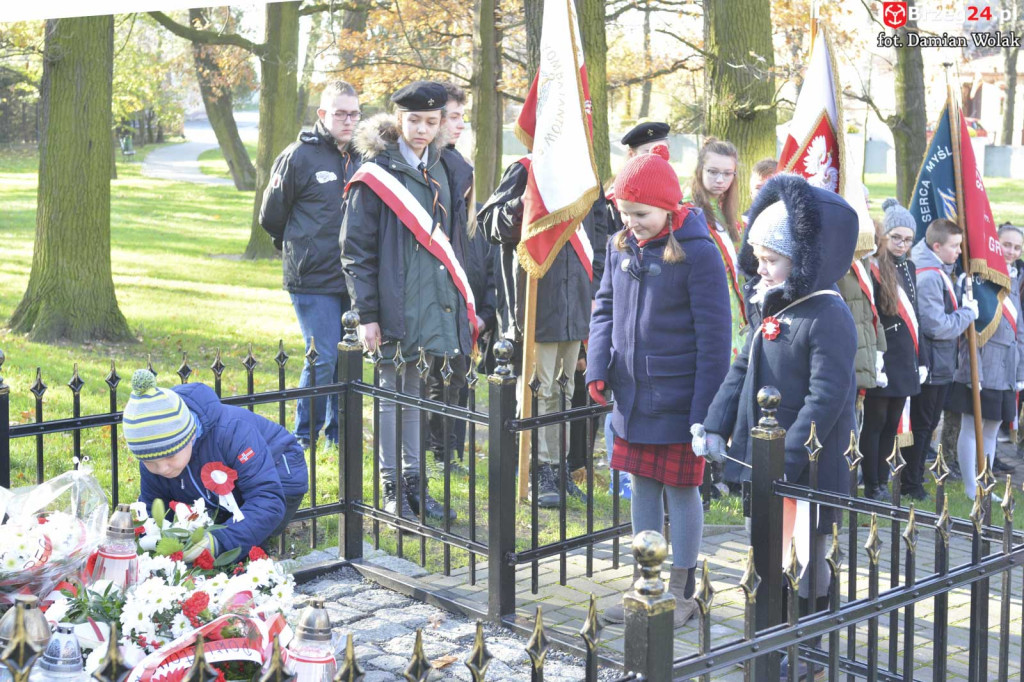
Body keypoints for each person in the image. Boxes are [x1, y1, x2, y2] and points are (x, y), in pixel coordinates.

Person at [697, 174, 859, 679]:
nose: (760, 268)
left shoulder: (827, 314)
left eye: (771, 259)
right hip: (765, 463)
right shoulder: (773, 302)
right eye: (759, 257)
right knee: (768, 556)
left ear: (801, 261)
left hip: (803, 467)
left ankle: (806, 652)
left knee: (806, 564)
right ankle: (769, 642)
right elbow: (742, 369)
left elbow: (826, 397)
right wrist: (715, 424)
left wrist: (786, 459)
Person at [586, 145, 731, 627]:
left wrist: (705, 414)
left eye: (641, 214)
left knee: (681, 489)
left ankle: (683, 590)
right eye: (624, 213)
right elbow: (604, 306)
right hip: (631, 392)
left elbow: (715, 340)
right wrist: (598, 366)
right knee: (642, 485)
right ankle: (643, 580)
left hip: (680, 397)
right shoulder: (618, 244)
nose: (631, 223)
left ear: (668, 207)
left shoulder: (699, 253)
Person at [341, 80, 473, 521]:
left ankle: (417, 485)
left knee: (415, 393)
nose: (421, 129)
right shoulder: (375, 172)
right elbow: (355, 251)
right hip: (393, 304)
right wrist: (367, 315)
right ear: (398, 119)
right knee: (389, 394)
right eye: (413, 120)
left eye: (431, 122)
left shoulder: (442, 168)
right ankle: (393, 485)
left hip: (430, 301)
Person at [478, 151, 609, 507]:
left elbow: (598, 243)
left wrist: (593, 290)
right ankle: (538, 469)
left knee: (564, 389)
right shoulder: (524, 170)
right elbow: (490, 225)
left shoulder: (586, 176)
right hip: (537, 300)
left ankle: (560, 466)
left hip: (575, 302)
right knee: (538, 388)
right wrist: (524, 202)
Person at [259, 81, 362, 449]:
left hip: (354, 277)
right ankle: (303, 436)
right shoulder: (298, 156)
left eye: (353, 113)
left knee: (348, 359)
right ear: (323, 114)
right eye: (340, 113)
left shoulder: (363, 156)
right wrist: (299, 246)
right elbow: (271, 216)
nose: (348, 121)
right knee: (322, 357)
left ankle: (339, 434)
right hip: (312, 276)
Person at [127, 370, 309, 558]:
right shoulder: (153, 452)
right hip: (231, 487)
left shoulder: (232, 432)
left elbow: (267, 500)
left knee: (242, 544)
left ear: (190, 436)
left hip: (281, 472)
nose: (162, 468)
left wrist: (220, 542)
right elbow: (154, 508)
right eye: (150, 462)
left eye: (170, 456)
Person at [425, 81, 498, 465]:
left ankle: (450, 453)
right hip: (434, 296)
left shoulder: (460, 166)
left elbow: (474, 245)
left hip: (464, 297)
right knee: (432, 381)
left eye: (461, 118)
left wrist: (484, 309)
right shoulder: (430, 169)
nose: (459, 126)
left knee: (459, 380)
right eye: (452, 117)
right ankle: (432, 454)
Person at [901, 218, 979, 501]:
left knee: (928, 424)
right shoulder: (930, 275)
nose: (959, 251)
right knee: (923, 425)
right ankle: (911, 483)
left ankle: (914, 477)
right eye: (954, 246)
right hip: (933, 363)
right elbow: (937, 326)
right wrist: (967, 313)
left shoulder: (939, 270)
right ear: (936, 246)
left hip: (941, 363)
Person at [948, 222, 1024, 499]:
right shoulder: (979, 277)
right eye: (1006, 245)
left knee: (992, 427)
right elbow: (972, 330)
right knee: (972, 426)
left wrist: (1019, 371)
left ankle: (985, 481)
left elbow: (1019, 329)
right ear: (994, 244)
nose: (1011, 252)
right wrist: (973, 372)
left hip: (1006, 368)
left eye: (1017, 247)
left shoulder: (1014, 277)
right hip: (982, 365)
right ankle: (971, 487)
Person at [860, 200, 923, 502]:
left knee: (892, 422)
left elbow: (915, 316)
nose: (902, 244)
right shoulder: (872, 267)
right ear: (883, 235)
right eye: (896, 237)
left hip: (905, 356)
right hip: (882, 353)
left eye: (908, 239)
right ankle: (870, 481)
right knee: (875, 421)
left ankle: (882, 481)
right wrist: (875, 356)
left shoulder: (909, 267)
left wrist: (920, 359)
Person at [685, 138, 745, 361]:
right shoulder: (686, 211)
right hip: (705, 305)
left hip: (734, 308)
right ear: (700, 170)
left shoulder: (728, 211)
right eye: (713, 172)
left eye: (728, 173)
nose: (720, 180)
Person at [605, 121, 671, 232]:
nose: (657, 158)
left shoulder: (670, 190)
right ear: (632, 154)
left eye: (663, 150)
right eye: (648, 151)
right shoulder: (615, 198)